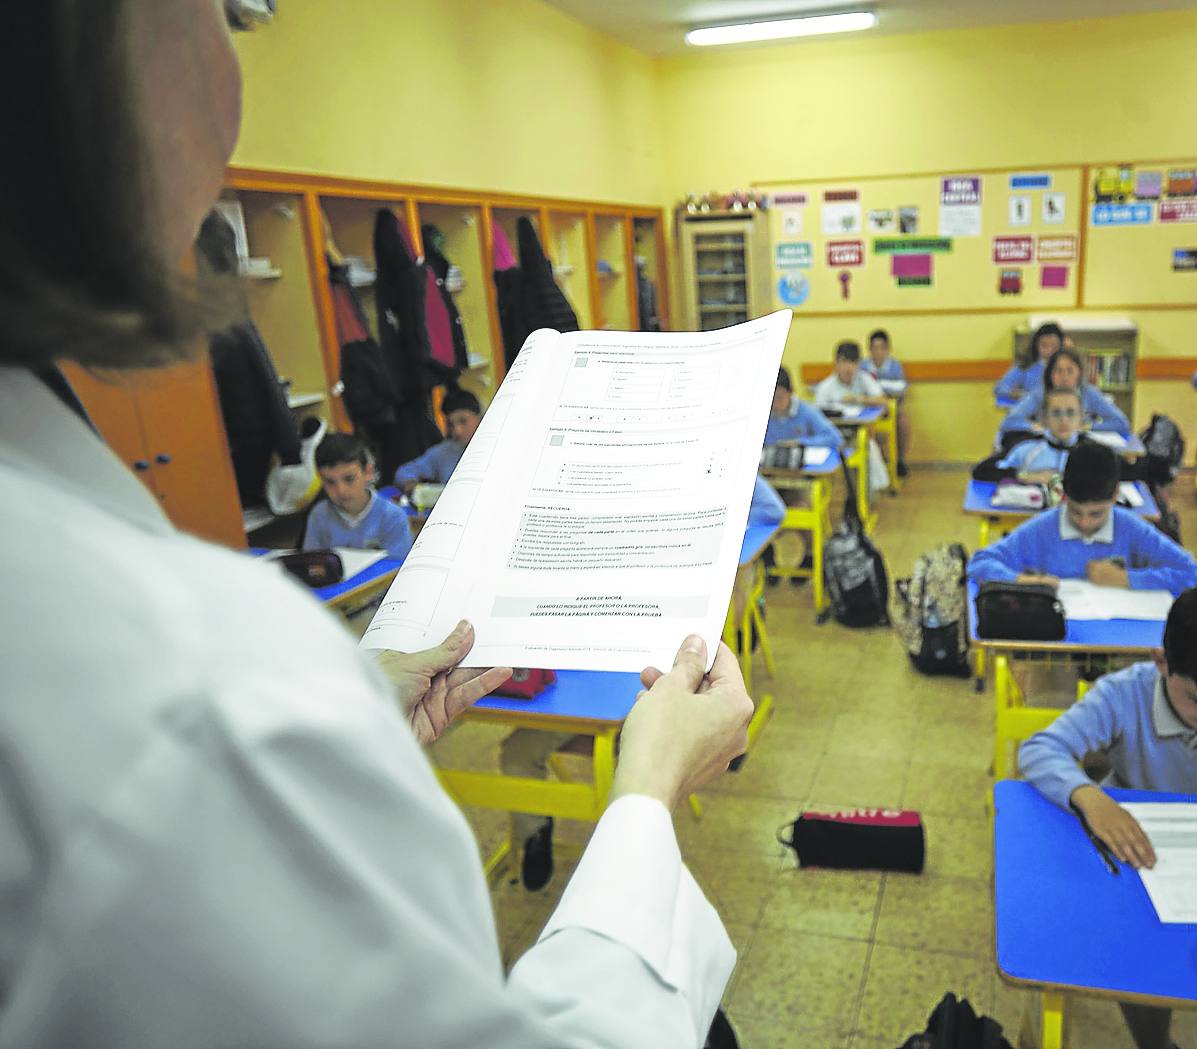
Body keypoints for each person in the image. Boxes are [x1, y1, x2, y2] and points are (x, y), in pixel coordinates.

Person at [0, 4, 754, 1046]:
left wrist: (355, 698)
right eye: (225, 12)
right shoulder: (194, 689)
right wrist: (646, 792)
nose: (236, 68)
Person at [1019, 587, 1197, 1049]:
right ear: (1161, 662)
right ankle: (1155, 1040)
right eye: (1195, 698)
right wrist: (1089, 796)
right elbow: (1042, 748)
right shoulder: (1126, 694)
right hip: (1145, 858)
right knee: (1142, 952)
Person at [967, 442, 1197, 594]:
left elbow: (1190, 572)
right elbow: (980, 563)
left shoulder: (1131, 527)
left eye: (1096, 514)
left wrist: (1127, 579)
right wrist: (1022, 581)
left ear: (1116, 495)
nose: (1085, 523)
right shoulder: (1044, 527)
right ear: (1063, 496)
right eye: (1076, 512)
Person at [303, 432, 413, 559]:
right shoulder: (319, 515)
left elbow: (398, 570)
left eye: (349, 479)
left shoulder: (393, 517)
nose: (341, 490)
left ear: (368, 472)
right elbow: (312, 563)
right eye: (330, 482)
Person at [1000, 345, 1131, 448]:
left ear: (1079, 373)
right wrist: (1038, 427)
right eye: (1058, 371)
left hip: (1079, 448)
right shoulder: (1040, 393)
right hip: (1046, 448)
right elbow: (1009, 422)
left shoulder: (1089, 393)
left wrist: (1086, 427)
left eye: (1070, 371)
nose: (1064, 377)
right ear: (1050, 374)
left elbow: (1122, 423)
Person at [972, 387, 1086, 484]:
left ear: (1081, 418)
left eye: (1070, 413)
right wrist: (1024, 476)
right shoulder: (1026, 448)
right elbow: (982, 471)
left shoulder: (1092, 452)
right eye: (1056, 413)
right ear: (1044, 419)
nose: (1063, 420)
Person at [394, 385, 482, 491]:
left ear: (480, 417)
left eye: (463, 421)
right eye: (450, 425)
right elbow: (404, 472)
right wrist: (412, 485)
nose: (457, 431)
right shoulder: (444, 452)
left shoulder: (497, 445)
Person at [860, 328, 910, 477]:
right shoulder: (863, 366)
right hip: (867, 409)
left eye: (882, 348)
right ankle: (877, 464)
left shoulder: (895, 366)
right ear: (869, 350)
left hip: (890, 409)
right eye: (874, 348)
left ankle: (900, 460)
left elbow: (901, 391)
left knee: (903, 422)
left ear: (888, 349)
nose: (878, 352)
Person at [764, 366, 842, 448]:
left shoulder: (806, 411)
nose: (775, 404)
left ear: (791, 392)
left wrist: (800, 443)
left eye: (779, 398)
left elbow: (834, 438)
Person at [993, 321, 1062, 403]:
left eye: (1054, 346)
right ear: (1036, 345)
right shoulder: (1026, 365)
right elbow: (1000, 388)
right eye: (1044, 345)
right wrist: (1015, 393)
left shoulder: (1068, 367)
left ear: (1061, 346)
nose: (1049, 351)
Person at [813, 340, 887, 407]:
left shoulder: (863, 378)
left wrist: (858, 399)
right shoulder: (825, 387)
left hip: (862, 421)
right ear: (836, 363)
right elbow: (818, 414)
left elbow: (883, 401)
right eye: (844, 361)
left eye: (852, 362)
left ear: (858, 364)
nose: (848, 367)